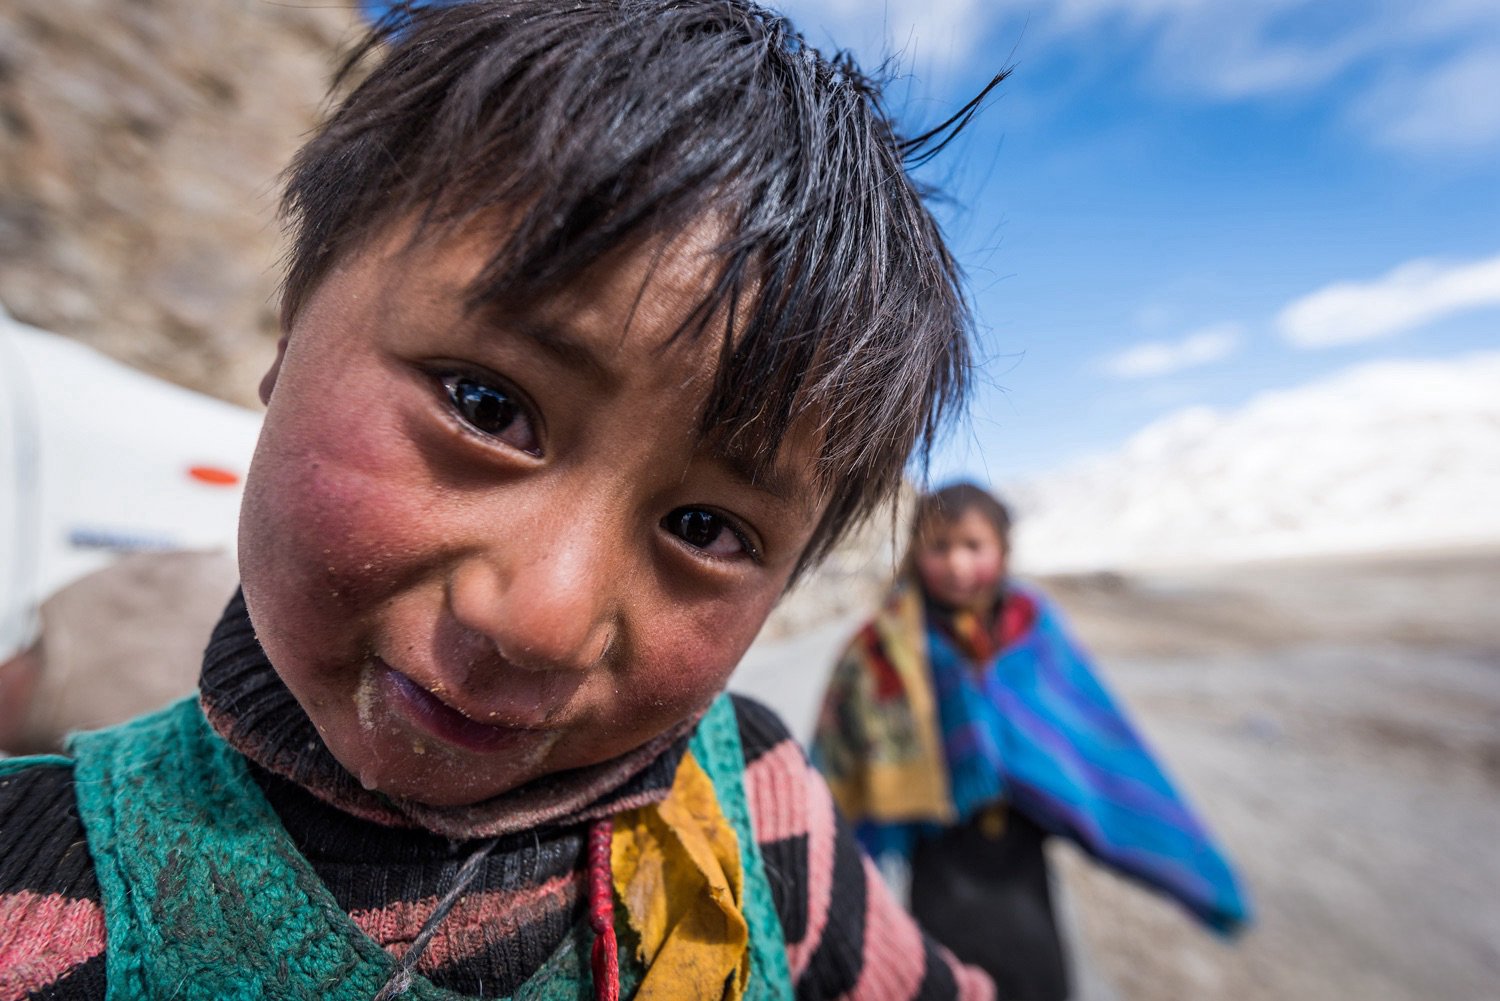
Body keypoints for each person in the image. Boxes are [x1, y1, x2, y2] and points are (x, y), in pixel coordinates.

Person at [0, 2, 1005, 998]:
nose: (543, 621)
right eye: (486, 407)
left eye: (704, 528)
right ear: (290, 329)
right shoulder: (35, 890)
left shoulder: (760, 806)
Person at [813, 483, 1251, 1000]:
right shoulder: (879, 646)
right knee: (944, 982)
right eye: (939, 546)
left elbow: (1099, 745)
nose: (956, 564)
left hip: (1021, 859)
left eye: (973, 546)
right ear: (915, 550)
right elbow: (833, 764)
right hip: (938, 862)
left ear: (1002, 550)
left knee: (1036, 980)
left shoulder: (1031, 630)